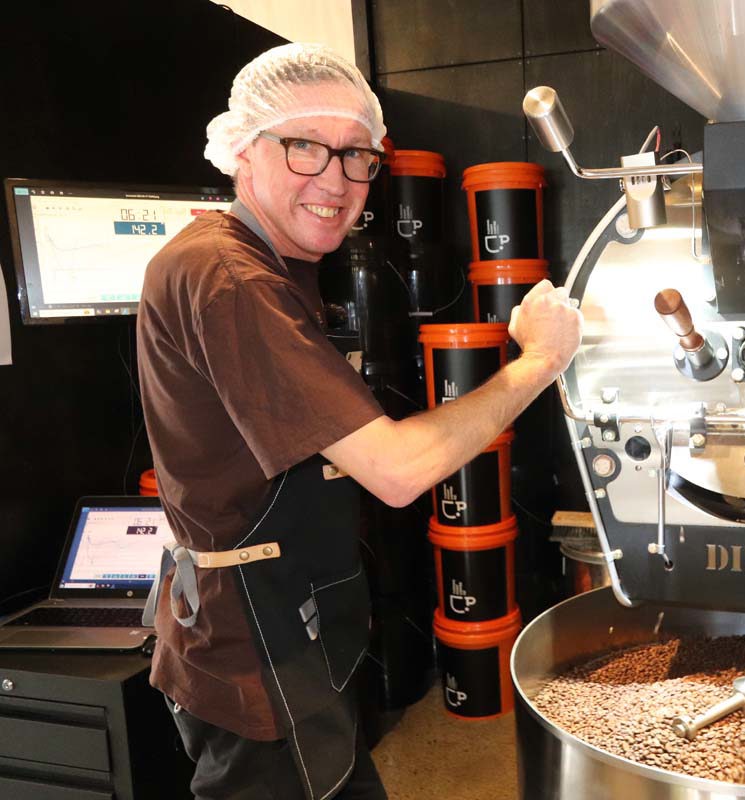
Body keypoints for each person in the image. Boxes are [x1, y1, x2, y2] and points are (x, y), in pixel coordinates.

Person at [136, 42, 581, 800]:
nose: (336, 181)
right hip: (256, 655)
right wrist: (538, 362)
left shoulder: (267, 264)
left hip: (283, 636)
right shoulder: (231, 277)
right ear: (241, 150)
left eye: (357, 157)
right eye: (304, 148)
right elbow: (399, 470)